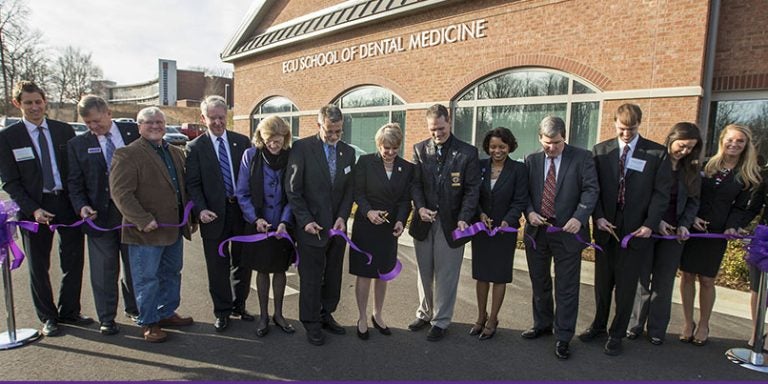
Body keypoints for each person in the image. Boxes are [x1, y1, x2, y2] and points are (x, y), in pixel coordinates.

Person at [580, 103, 672, 356]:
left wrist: (649, 225)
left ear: (639, 124)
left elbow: (661, 195)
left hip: (635, 231)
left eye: (631, 129)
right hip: (605, 228)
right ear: (614, 123)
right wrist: (597, 217)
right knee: (602, 283)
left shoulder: (656, 153)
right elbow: (593, 188)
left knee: (626, 285)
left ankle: (617, 333)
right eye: (622, 129)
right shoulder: (600, 151)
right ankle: (598, 325)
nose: (626, 134)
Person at [0, 80, 90, 337]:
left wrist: (80, 202)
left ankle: (70, 310)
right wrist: (34, 210)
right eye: (28, 103)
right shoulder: (8, 137)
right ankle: (48, 317)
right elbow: (11, 182)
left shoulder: (64, 131)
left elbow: (76, 171)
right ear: (18, 104)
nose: (34, 107)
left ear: (45, 101)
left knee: (73, 260)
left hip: (67, 203)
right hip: (35, 209)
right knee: (39, 265)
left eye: (38, 101)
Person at [109, 107, 195, 343]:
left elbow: (183, 189)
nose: (155, 126)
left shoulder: (176, 153)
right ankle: (148, 322)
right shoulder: (127, 154)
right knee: (147, 278)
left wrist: (190, 218)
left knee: (171, 273)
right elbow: (121, 193)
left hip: (173, 229)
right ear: (139, 126)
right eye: (149, 122)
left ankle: (166, 312)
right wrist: (143, 219)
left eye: (159, 121)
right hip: (145, 231)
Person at [523, 116, 599, 359]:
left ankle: (563, 336)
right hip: (538, 231)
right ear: (539, 139)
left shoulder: (583, 157)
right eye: (546, 143)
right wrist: (530, 212)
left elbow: (591, 190)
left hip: (568, 232)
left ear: (564, 137)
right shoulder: (531, 159)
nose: (551, 148)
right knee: (539, 281)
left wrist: (579, 217)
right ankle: (542, 324)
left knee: (566, 287)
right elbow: (523, 192)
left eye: (556, 143)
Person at [678, 124, 761, 346]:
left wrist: (732, 226)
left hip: (717, 233)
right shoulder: (706, 165)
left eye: (740, 141)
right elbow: (691, 194)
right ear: (722, 140)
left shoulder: (746, 175)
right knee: (687, 276)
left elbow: (741, 208)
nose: (734, 144)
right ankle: (688, 322)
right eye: (730, 139)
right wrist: (690, 218)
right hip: (693, 228)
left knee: (706, 279)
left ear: (746, 146)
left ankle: (704, 324)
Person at [67, 95, 140, 335]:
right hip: (99, 218)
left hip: (132, 214)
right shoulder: (77, 145)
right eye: (88, 123)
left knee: (135, 267)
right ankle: (107, 318)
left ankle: (137, 309)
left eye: (97, 121)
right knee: (103, 270)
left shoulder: (134, 131)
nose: (93, 127)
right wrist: (81, 207)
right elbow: (74, 184)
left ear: (109, 112)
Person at [408, 103, 481, 341]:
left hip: (452, 223)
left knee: (446, 274)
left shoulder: (468, 153)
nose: (437, 134)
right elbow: (415, 184)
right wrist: (420, 208)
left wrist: (464, 218)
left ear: (449, 122)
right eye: (432, 130)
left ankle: (441, 320)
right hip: (424, 221)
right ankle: (425, 313)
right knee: (424, 271)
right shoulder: (419, 149)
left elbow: (472, 190)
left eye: (440, 128)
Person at [285, 105, 356, 346]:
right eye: (329, 132)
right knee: (312, 278)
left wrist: (343, 217)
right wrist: (305, 221)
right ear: (318, 126)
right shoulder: (302, 148)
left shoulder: (348, 152)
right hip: (311, 227)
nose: (334, 137)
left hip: (336, 228)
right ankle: (311, 322)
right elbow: (293, 190)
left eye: (338, 131)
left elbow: (349, 190)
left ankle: (326, 314)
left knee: (334, 275)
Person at [627, 122, 702, 346]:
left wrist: (685, 224)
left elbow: (693, 201)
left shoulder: (691, 169)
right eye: (682, 145)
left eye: (690, 148)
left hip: (674, 234)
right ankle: (635, 325)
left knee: (664, 281)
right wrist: (654, 221)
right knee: (642, 279)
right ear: (671, 139)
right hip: (648, 228)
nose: (685, 151)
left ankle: (657, 329)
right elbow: (640, 195)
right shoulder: (654, 160)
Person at [185, 95, 254, 333]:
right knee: (217, 266)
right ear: (203, 118)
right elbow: (193, 184)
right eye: (212, 118)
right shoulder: (195, 147)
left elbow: (253, 178)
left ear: (227, 117)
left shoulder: (242, 142)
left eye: (221, 117)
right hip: (213, 215)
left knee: (243, 263)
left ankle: (239, 305)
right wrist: (201, 209)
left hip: (241, 212)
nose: (217, 122)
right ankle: (222, 311)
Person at [349, 123, 414, 340]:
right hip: (366, 226)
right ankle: (361, 317)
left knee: (383, 274)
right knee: (365, 274)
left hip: (388, 229)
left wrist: (401, 222)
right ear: (378, 145)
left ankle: (377, 314)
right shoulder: (365, 162)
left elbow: (406, 200)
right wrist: (368, 212)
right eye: (386, 148)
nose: (390, 152)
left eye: (395, 148)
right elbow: (358, 193)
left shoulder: (406, 167)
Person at [235, 115, 296, 337]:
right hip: (258, 225)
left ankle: (279, 315)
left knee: (280, 269)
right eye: (269, 139)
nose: (274, 144)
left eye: (278, 139)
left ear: (285, 137)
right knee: (261, 270)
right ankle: (263, 316)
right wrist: (255, 219)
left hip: (282, 225)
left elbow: (293, 194)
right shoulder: (250, 156)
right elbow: (242, 192)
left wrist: (284, 222)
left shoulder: (291, 157)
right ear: (261, 136)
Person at [469, 127, 527, 341]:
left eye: (502, 146)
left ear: (509, 146)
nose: (497, 150)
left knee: (499, 276)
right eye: (493, 146)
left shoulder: (519, 170)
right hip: (482, 230)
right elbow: (472, 195)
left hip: (504, 230)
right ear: (488, 147)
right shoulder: (480, 166)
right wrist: (480, 214)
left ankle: (493, 319)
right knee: (482, 275)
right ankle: (480, 316)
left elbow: (520, 200)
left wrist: (508, 220)